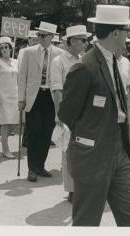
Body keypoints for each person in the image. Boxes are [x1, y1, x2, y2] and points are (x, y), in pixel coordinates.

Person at [58, 5, 130, 226]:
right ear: (115, 33)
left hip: (120, 150)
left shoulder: (113, 61)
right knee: (87, 221)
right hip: (94, 156)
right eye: (126, 31)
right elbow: (66, 114)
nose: (128, 37)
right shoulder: (85, 67)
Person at [18, 21, 64, 182]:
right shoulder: (28, 52)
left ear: (52, 37)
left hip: (50, 97)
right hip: (34, 96)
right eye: (39, 35)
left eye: (44, 35)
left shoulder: (59, 53)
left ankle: (40, 166)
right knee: (34, 130)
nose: (41, 38)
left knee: (46, 132)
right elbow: (22, 77)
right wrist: (21, 99)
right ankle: (31, 168)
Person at [50, 24, 90, 203]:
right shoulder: (58, 61)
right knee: (68, 151)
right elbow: (57, 90)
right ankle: (72, 189)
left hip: (85, 112)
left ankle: (82, 185)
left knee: (84, 149)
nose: (86, 43)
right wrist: (59, 115)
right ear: (73, 41)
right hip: (68, 112)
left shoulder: (84, 60)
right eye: (83, 40)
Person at [0, 37, 19, 159]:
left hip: (15, 95)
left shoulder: (16, 61)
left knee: (13, 123)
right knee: (5, 123)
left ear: (10, 48)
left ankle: (4, 142)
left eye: (6, 47)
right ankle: (5, 149)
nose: (4, 49)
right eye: (1, 48)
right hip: (3, 96)